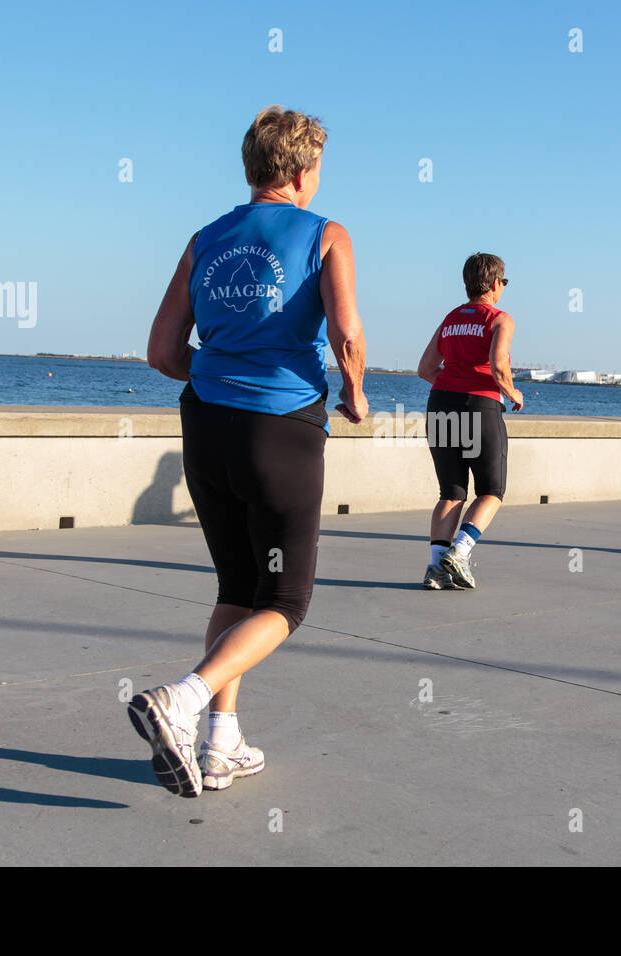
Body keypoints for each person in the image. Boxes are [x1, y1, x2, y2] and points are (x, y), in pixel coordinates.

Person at [130, 106, 368, 797]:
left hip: (205, 426)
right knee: (285, 601)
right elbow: (347, 334)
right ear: (299, 172)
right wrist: (354, 394)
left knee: (238, 587)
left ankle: (219, 746)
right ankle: (181, 700)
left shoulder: (205, 238)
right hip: (280, 427)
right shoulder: (326, 233)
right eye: (317, 168)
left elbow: (160, 351)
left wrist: (216, 373)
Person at [415, 253, 522, 590]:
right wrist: (513, 393)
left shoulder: (450, 319)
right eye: (503, 283)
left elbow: (425, 369)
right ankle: (459, 553)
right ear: (495, 284)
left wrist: (452, 385)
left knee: (451, 492)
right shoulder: (500, 319)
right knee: (492, 491)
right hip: (481, 406)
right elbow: (497, 364)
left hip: (442, 402)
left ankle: (436, 569)